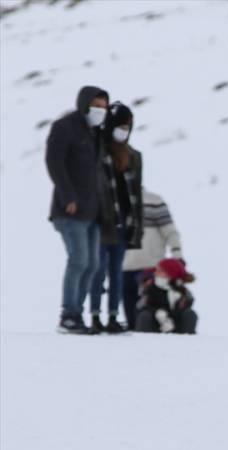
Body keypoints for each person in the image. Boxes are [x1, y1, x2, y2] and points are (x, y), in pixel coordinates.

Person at [45, 85, 110, 334]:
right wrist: (68, 195)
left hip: (93, 211)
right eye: (96, 106)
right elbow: (54, 162)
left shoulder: (94, 133)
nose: (100, 111)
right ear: (84, 103)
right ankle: (68, 315)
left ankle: (77, 315)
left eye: (103, 107)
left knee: (93, 264)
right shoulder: (65, 127)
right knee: (78, 260)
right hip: (70, 210)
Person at [89, 101, 143, 334]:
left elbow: (136, 194)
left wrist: (136, 226)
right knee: (98, 271)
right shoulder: (98, 153)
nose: (125, 130)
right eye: (121, 125)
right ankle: (94, 316)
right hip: (102, 223)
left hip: (124, 222)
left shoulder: (133, 157)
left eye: (128, 126)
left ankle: (112, 316)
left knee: (117, 274)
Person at [122, 190, 184, 330]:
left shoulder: (154, 201)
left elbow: (170, 231)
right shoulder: (115, 201)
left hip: (153, 268)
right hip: (125, 268)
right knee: (132, 321)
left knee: (154, 311)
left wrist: (177, 254)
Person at [135, 258, 197, 335]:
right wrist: (158, 313)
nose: (156, 273)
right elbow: (142, 305)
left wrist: (172, 315)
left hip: (176, 322)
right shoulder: (151, 288)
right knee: (144, 316)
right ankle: (145, 340)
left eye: (160, 270)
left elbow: (187, 304)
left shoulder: (181, 290)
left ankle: (187, 339)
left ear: (170, 273)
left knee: (190, 314)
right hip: (155, 323)